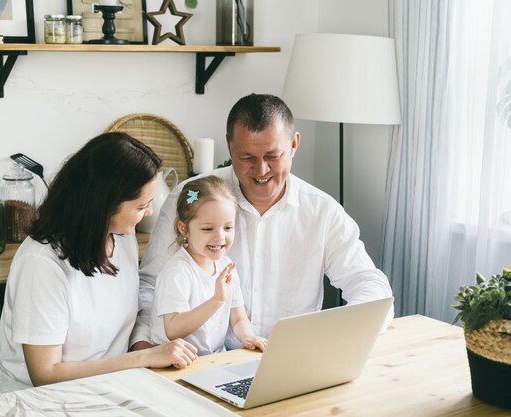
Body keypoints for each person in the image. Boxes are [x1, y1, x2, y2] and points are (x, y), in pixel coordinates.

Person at [132, 93, 394, 350]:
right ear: (230, 145)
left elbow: (368, 282)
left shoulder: (322, 211)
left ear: (293, 144)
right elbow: (151, 284)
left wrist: (345, 332)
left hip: (294, 358)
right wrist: (143, 348)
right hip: (205, 362)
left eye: (272, 156)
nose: (261, 171)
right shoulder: (190, 197)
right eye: (247, 158)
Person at [0, 132, 197, 394]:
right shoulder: (41, 262)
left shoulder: (122, 239)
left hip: (108, 390)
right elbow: (45, 374)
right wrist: (145, 358)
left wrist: (147, 347)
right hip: (38, 401)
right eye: (141, 205)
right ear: (104, 205)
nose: (149, 212)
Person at [149, 176, 267, 355]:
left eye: (228, 228)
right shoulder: (177, 272)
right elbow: (172, 329)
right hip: (174, 362)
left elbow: (238, 318)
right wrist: (217, 300)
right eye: (207, 229)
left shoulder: (226, 266)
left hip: (213, 359)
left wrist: (248, 337)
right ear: (184, 228)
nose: (220, 237)